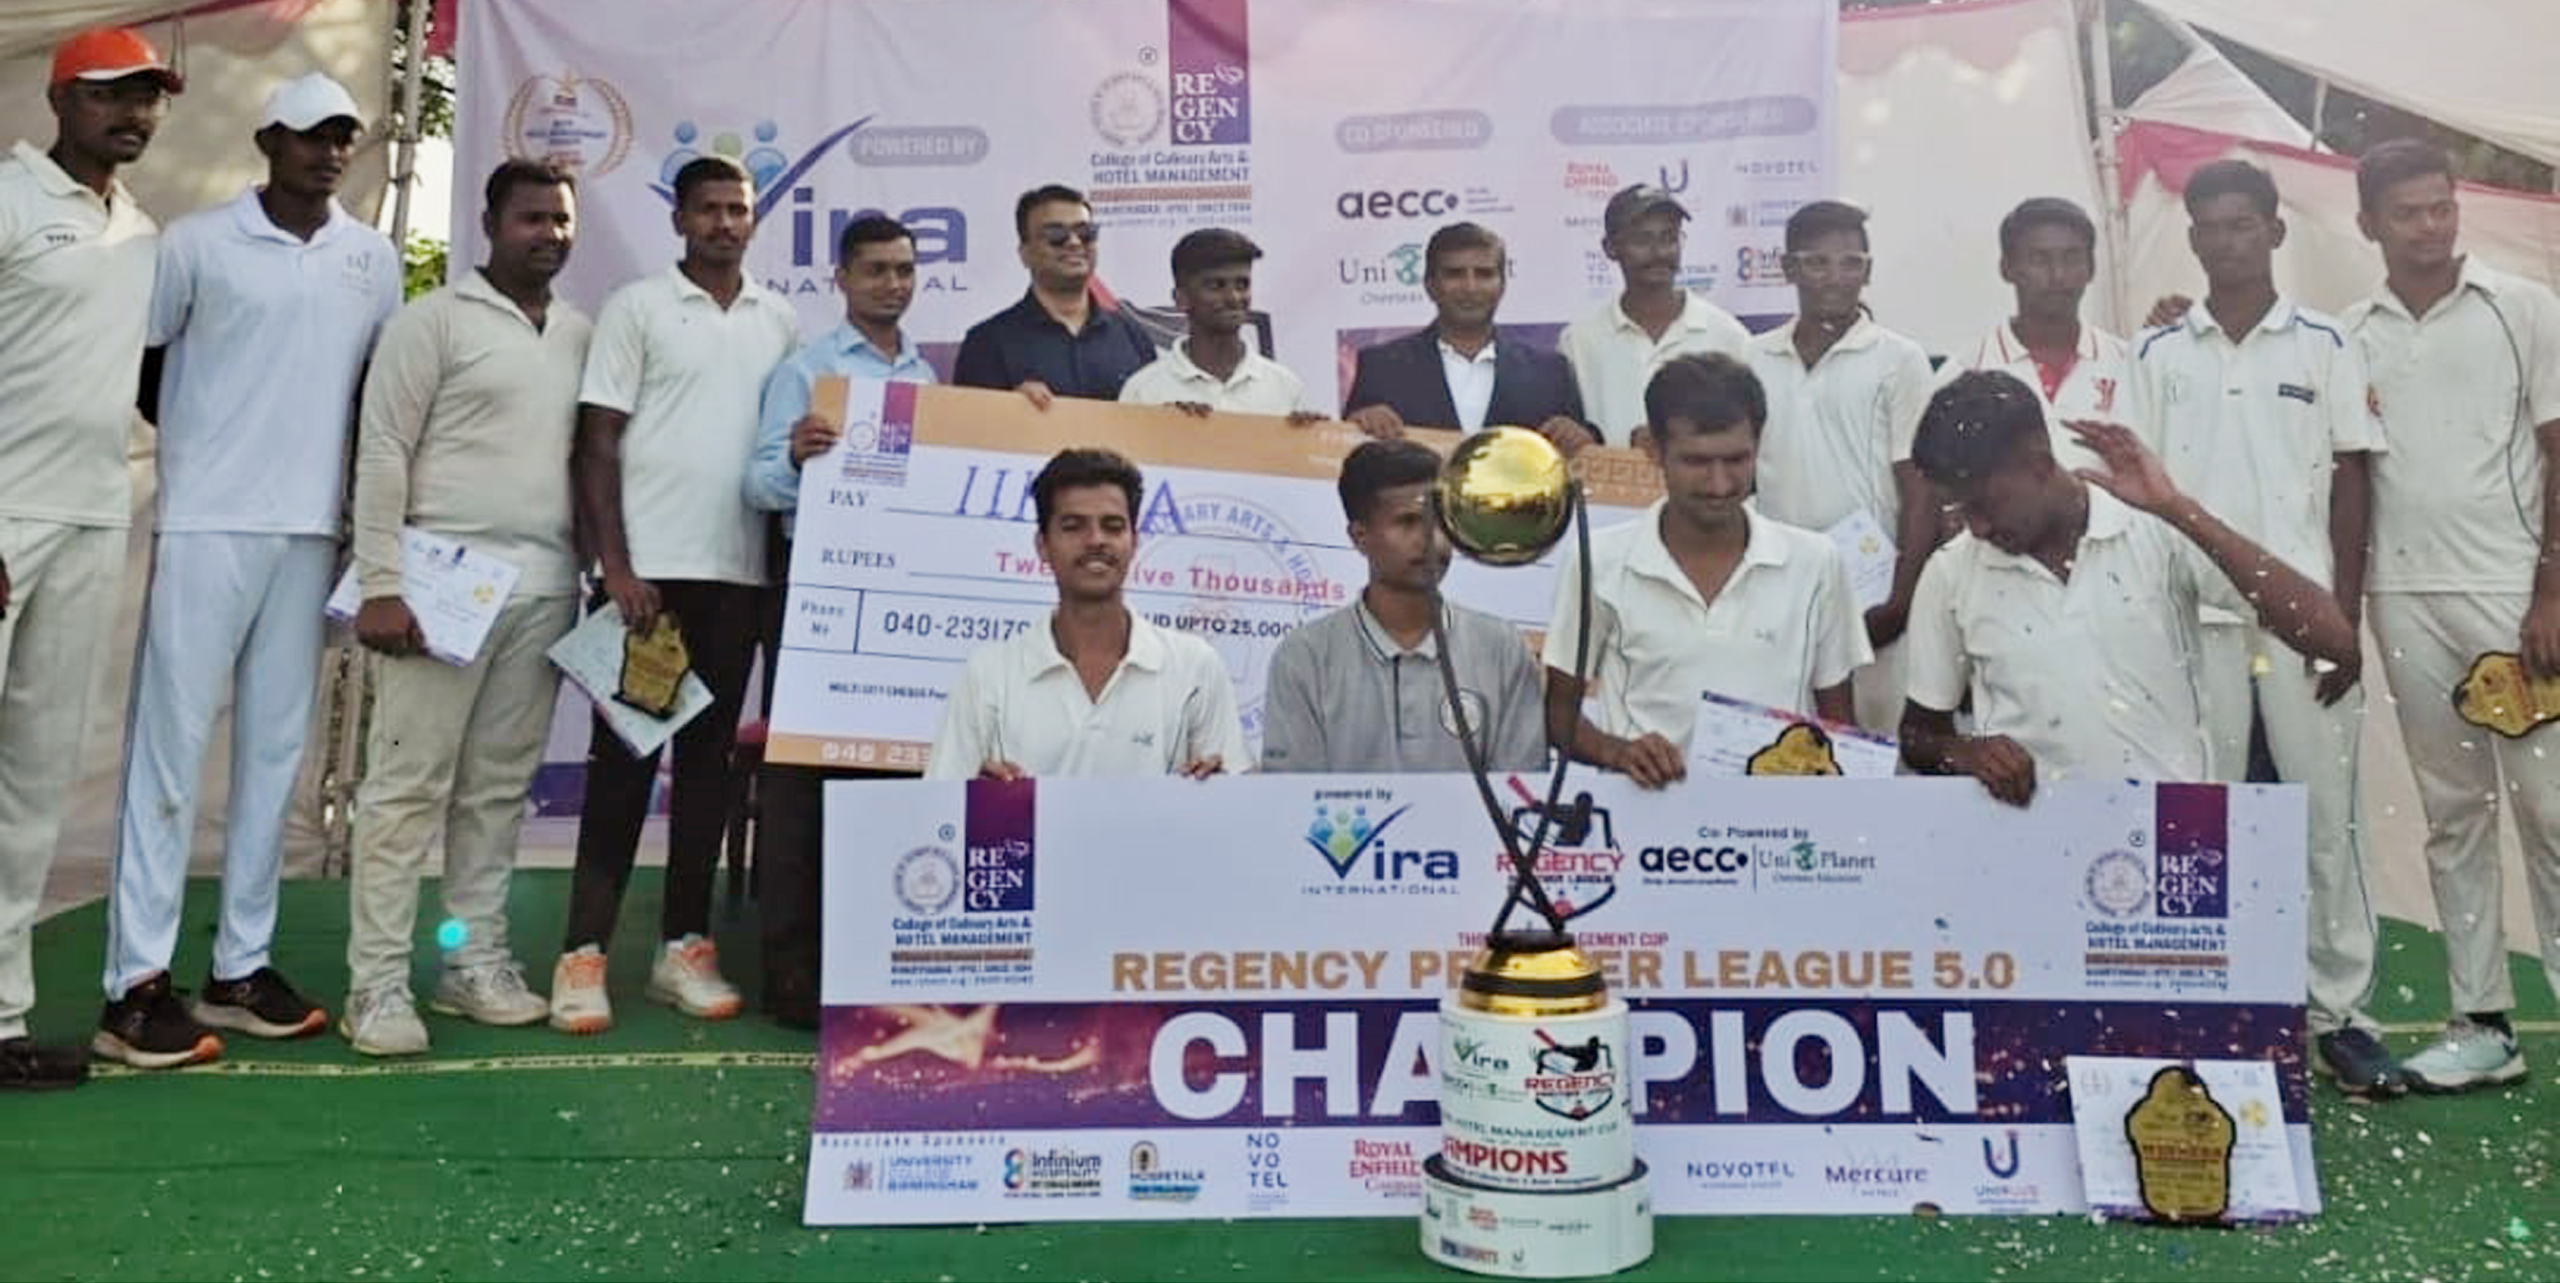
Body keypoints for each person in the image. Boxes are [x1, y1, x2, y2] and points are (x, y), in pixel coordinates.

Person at [96, 72, 400, 1070]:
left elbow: (372, 392)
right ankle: (136, 985)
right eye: (310, 135)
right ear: (268, 141)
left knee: (275, 755)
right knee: (169, 749)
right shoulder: (194, 244)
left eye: (342, 136)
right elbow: (142, 365)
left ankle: (240, 966)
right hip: (206, 524)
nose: (328, 152)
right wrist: (209, 440)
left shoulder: (371, 260)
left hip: (311, 532)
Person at [2129, 159, 2402, 1098]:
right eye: (2210, 227)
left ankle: (2342, 1015)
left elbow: (2354, 482)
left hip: (2302, 625)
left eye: (2243, 224)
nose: (2227, 241)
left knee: (2324, 819)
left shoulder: (2326, 343)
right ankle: (2215, 1004)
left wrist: (2343, 623)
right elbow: (2139, 497)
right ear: (2193, 239)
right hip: (2191, 620)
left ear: (2275, 232)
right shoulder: (2157, 353)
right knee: (2199, 818)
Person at [337, 160, 591, 1056]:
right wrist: (380, 581)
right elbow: (382, 450)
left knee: (496, 790)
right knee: (407, 789)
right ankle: (375, 985)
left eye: (561, 220)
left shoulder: (579, 332)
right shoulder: (432, 321)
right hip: (437, 585)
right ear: (489, 222)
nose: (549, 234)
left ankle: (470, 958)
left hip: (544, 587)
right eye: (531, 218)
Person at [555, 154, 799, 1035]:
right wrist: (616, 567)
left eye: (738, 209)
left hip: (739, 578)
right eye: (709, 209)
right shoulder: (638, 307)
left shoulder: (780, 320)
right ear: (679, 220)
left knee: (706, 773)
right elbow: (597, 444)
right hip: (649, 586)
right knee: (624, 770)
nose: (725, 223)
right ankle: (582, 955)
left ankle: (681, 948)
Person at [2343, 139, 2560, 1092]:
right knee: (2452, 811)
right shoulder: (2349, 333)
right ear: (2369, 224)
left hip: (2514, 598)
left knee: (2552, 808)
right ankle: (2483, 1022)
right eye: (2408, 213)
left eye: (2442, 208)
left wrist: (2551, 591)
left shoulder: (2524, 308)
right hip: (2401, 598)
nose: (2430, 227)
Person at [1901, 372, 2360, 799]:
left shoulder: (2157, 532)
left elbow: (2333, 640)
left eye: (1985, 504)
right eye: (1960, 510)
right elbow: (1919, 735)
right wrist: (1963, 752)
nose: (1977, 527)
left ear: (2039, 465)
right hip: (2031, 834)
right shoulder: (1951, 573)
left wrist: (2177, 509)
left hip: (2174, 828)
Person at [0, 27, 178, 1091]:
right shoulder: (9, 198)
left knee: (32, 779)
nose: (134, 114)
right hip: (4, 517)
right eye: (113, 94)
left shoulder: (142, 232)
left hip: (89, 518)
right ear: (61, 100)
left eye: (148, 97)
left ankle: (1, 1014)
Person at [744, 213, 935, 1029]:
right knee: (802, 785)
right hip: (819, 598)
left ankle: (876, 964)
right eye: (876, 270)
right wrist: (795, 456)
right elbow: (758, 485)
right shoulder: (807, 371)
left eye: (904, 269)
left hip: (903, 602)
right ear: (842, 280)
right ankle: (793, 976)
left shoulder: (929, 378)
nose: (892, 283)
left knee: (893, 781)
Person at [1544, 353, 1870, 789]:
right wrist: (1618, 752)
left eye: (1736, 460)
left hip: (1777, 823)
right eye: (1696, 462)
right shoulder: (1598, 560)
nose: (1719, 484)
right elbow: (1559, 713)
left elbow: (1839, 724)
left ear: (1759, 444)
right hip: (1646, 818)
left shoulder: (1816, 562)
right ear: (1653, 450)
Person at [926, 448, 1247, 780]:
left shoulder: (1194, 667)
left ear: (1134, 542)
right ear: (1042, 545)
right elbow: (939, 803)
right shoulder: (989, 674)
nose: (1096, 540)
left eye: (1113, 526)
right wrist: (976, 797)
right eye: (1073, 526)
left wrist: (1219, 788)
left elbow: (1237, 798)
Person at [1743, 200, 1937, 733]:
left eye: (1851, 263)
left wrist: (1900, 598)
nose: (1835, 278)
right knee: (1785, 745)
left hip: (1872, 594)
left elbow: (1920, 488)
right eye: (1817, 263)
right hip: (1779, 590)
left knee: (1874, 742)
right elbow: (1738, 476)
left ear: (1868, 272)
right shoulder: (1752, 357)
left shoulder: (1899, 359)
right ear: (1788, 269)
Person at [1262, 439, 1544, 774]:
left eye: (1441, 519)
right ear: (1360, 537)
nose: (1431, 539)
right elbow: (1292, 794)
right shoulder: (1305, 656)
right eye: (1408, 521)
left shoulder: (1501, 647)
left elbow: (1521, 791)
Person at [1343, 222, 1593, 453]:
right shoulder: (1380, 368)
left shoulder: (1551, 373)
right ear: (1430, 285)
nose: (1470, 287)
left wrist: (1581, 438)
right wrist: (1358, 425)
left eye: (1484, 274)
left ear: (1502, 285)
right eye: (1454, 274)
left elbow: (1582, 458)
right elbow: (1347, 458)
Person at [1950, 197, 2135, 471]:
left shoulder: (2132, 365)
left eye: (2071, 258)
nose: (2057, 275)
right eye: (2039, 259)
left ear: (2091, 268)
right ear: (2007, 268)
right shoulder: (1965, 373)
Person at [1557, 184, 1749, 444]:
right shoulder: (1579, 342)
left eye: (1669, 238)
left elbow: (1747, 437)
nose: (1659, 252)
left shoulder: (1727, 335)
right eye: (1642, 240)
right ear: (1610, 247)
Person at [952, 184, 1156, 404]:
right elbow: (969, 423)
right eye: (1056, 235)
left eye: (1085, 233)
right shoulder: (987, 343)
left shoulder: (1131, 336)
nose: (1074, 242)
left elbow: (1157, 418)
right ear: (1025, 254)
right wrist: (1009, 408)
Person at [1117, 227, 1319, 420]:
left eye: (1242, 284)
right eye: (1216, 286)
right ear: (1181, 299)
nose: (1233, 297)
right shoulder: (1143, 392)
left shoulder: (1286, 388)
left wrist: (1310, 436)